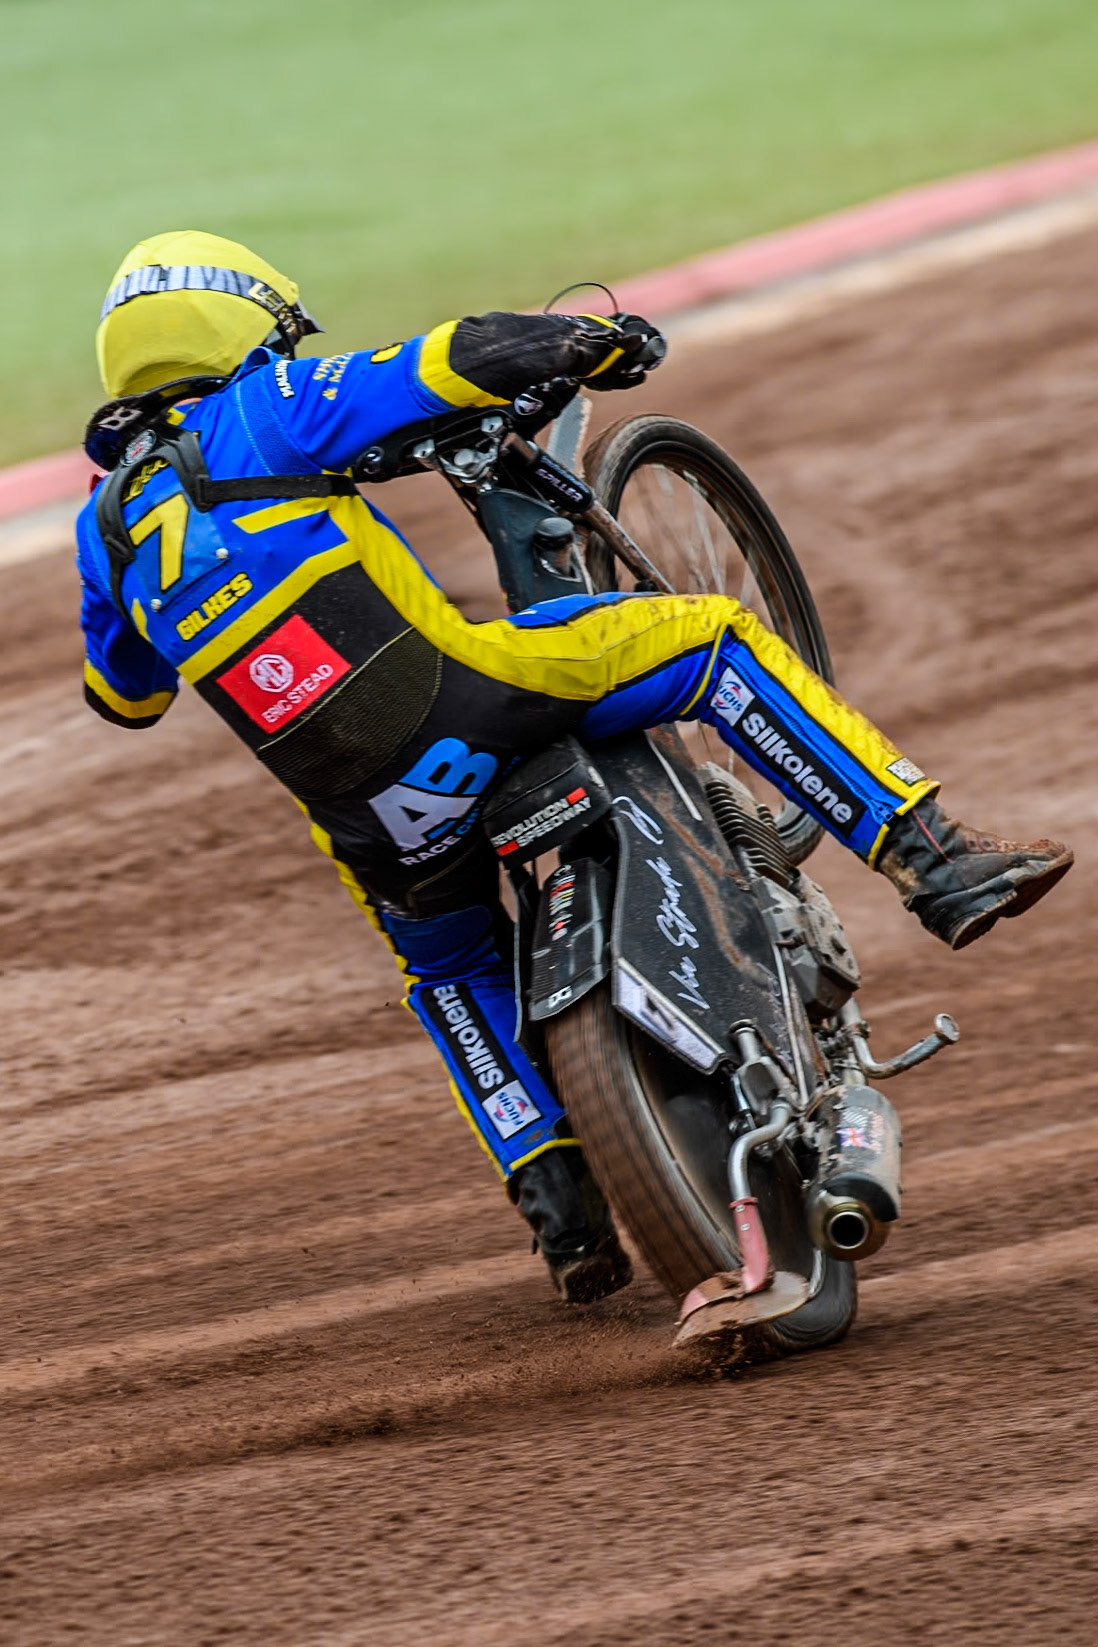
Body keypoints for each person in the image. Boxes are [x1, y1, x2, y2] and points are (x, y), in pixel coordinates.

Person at [76, 232, 1073, 1302]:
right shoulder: (270, 410)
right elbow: (456, 358)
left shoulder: (106, 531)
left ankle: (559, 1202)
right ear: (241, 329)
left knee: (448, 969)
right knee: (708, 641)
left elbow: (124, 697)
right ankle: (932, 855)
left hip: (375, 819)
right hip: (470, 706)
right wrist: (595, 344)